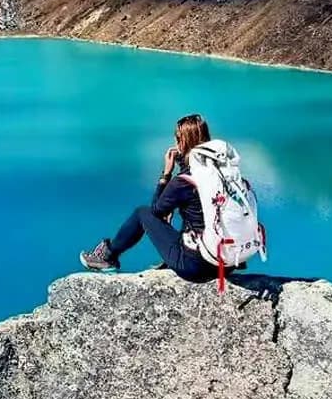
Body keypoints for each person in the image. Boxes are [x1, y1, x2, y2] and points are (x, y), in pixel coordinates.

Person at [79, 113, 224, 283]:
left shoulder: (184, 182)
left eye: (178, 138)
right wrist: (184, 164)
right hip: (224, 264)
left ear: (183, 142)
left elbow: (157, 210)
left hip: (197, 267)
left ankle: (107, 256)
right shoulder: (221, 173)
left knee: (142, 213)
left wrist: (166, 174)